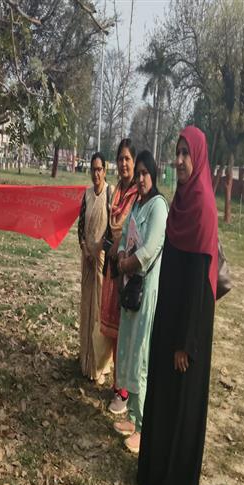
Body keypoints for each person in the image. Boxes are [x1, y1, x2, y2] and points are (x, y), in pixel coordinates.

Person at [137, 126, 218, 485]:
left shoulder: (202, 207)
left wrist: (187, 343)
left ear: (198, 158)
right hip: (167, 317)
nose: (180, 160)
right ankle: (153, 473)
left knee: (180, 403)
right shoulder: (181, 202)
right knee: (162, 395)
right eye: (178, 152)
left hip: (188, 328)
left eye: (187, 153)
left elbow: (200, 287)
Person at [112, 150, 168, 454]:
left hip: (145, 290)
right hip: (129, 287)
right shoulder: (137, 204)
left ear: (153, 175)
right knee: (129, 350)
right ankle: (132, 417)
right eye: (140, 173)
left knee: (142, 356)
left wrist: (127, 264)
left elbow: (149, 250)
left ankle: (144, 427)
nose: (142, 178)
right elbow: (125, 240)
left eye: (146, 173)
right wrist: (122, 255)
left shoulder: (158, 206)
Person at [101, 138, 138, 415]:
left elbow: (132, 230)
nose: (123, 163)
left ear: (134, 162)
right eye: (120, 158)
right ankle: (117, 383)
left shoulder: (137, 194)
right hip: (111, 269)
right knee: (114, 331)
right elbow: (110, 227)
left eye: (127, 159)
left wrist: (119, 244)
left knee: (126, 331)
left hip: (128, 270)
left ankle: (124, 390)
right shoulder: (116, 192)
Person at [77, 152, 114, 383]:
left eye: (99, 169)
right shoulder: (87, 195)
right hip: (87, 260)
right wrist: (86, 248)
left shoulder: (111, 194)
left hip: (102, 262)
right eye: (93, 170)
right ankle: (85, 360)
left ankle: (100, 366)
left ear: (105, 171)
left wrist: (99, 250)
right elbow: (80, 227)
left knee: (100, 310)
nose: (96, 174)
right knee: (86, 307)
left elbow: (113, 230)